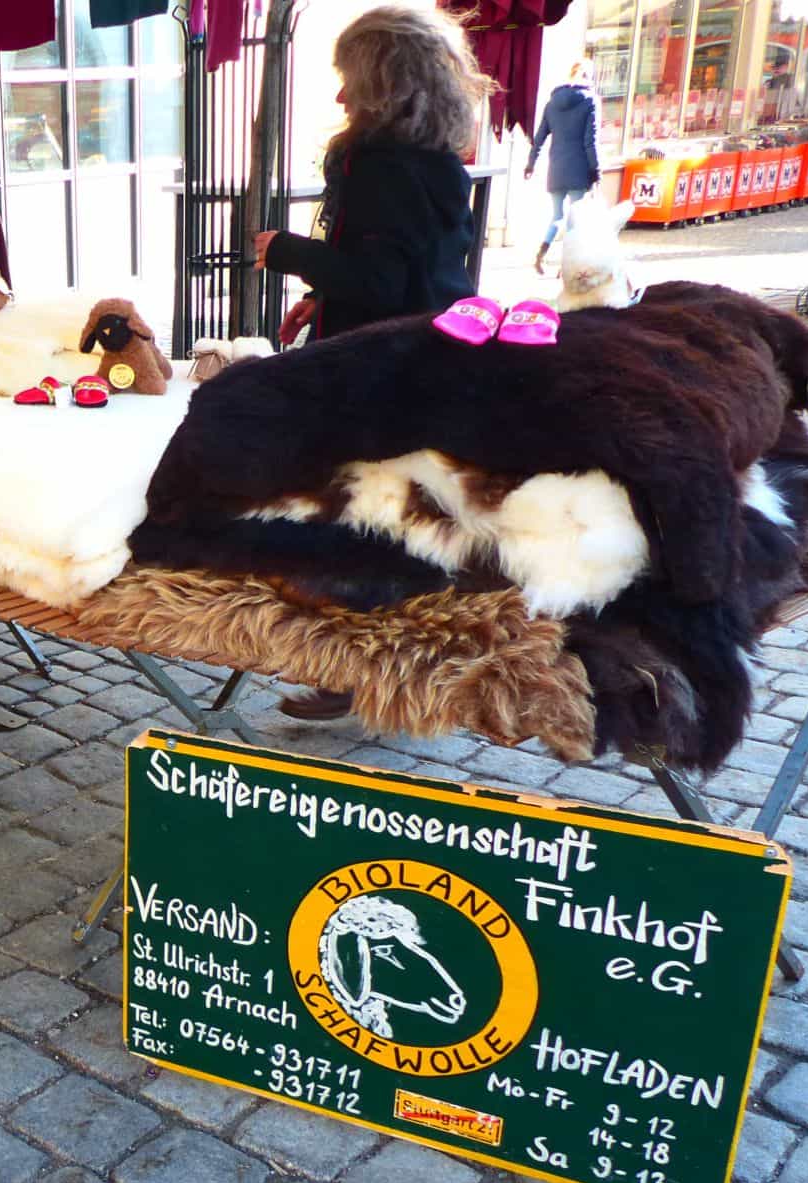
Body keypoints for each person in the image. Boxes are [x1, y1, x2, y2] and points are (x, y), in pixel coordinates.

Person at [249, 4, 492, 720]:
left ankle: (354, 669)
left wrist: (286, 253)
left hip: (379, 370)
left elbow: (382, 281)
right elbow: (411, 270)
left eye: (347, 80)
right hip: (427, 355)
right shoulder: (433, 160)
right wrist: (319, 296)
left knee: (356, 512)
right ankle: (383, 667)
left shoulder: (380, 164)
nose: (339, 96)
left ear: (380, 81)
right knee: (391, 513)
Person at [526, 59, 601, 275]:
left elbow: (539, 137)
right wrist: (596, 170)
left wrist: (531, 163)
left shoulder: (552, 104)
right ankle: (566, 264)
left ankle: (542, 253)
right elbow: (591, 140)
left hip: (556, 167)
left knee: (556, 216)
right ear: (589, 78)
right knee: (574, 219)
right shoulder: (590, 101)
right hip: (579, 168)